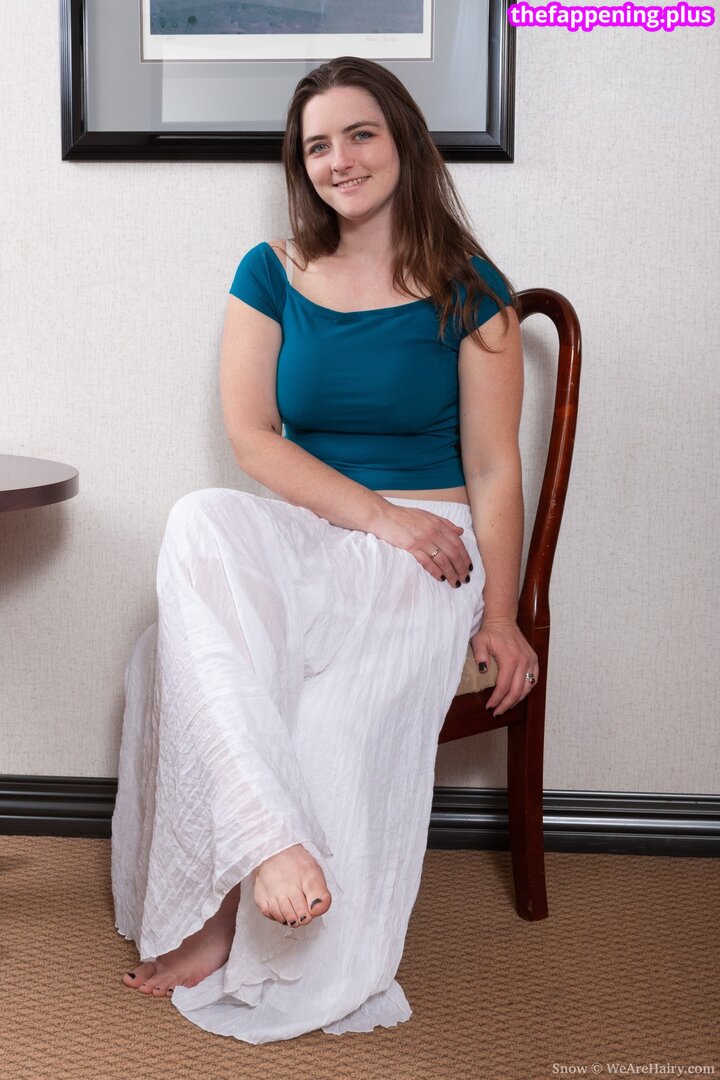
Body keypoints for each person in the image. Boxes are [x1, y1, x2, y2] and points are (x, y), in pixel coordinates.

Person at [111, 55, 538, 1044]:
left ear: (403, 142)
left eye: (359, 134)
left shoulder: (472, 287)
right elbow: (253, 439)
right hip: (323, 526)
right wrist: (375, 516)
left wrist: (503, 615)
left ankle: (263, 938)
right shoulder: (270, 272)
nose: (338, 159)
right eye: (316, 146)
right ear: (299, 166)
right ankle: (263, 848)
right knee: (199, 519)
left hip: (430, 550)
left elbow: (494, 468)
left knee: (333, 721)